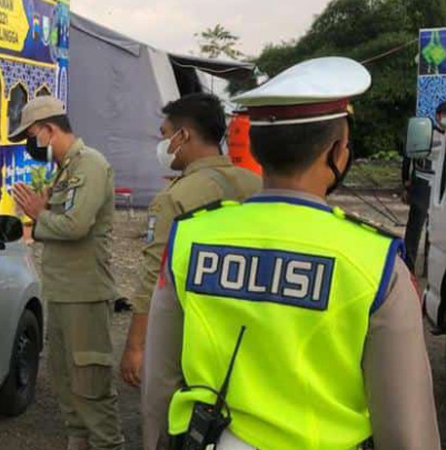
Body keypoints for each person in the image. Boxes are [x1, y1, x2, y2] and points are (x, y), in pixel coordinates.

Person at [142, 57, 440, 449]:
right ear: (336, 151)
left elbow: (159, 387)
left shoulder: (191, 238)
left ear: (258, 149)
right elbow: (406, 432)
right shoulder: (376, 262)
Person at [120, 93, 261, 391]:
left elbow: (154, 275)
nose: (162, 145)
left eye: (165, 135)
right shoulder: (257, 185)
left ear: (183, 136)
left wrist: (135, 346)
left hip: (193, 337)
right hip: (250, 332)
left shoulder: (174, 198)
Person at [10, 96, 124, 450]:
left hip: (85, 294)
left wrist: (39, 214)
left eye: (31, 136)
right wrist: (43, 214)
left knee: (91, 389)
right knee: (66, 384)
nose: (31, 144)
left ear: (49, 129)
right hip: (62, 292)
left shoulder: (89, 165)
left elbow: (75, 226)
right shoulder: (66, 169)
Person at [402, 101, 444, 271]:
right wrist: (406, 181)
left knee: (434, 228)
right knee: (415, 226)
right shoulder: (425, 134)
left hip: (440, 187)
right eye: (442, 115)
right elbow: (408, 158)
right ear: (437, 116)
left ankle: (429, 266)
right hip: (422, 183)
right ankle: (408, 264)